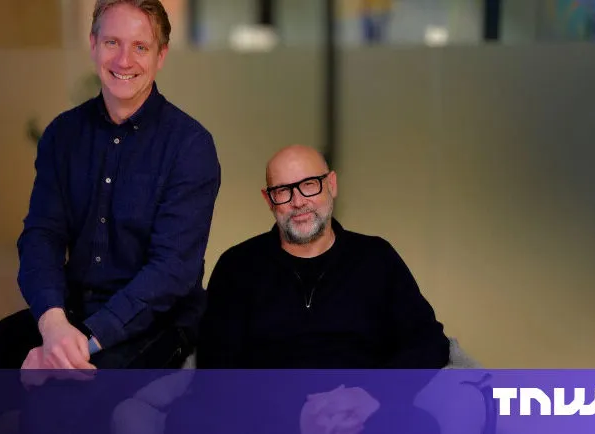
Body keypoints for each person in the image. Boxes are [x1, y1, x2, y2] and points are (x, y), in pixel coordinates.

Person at [0, 1, 221, 432]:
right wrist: (53, 324)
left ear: (161, 56)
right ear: (93, 45)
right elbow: (42, 236)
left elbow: (170, 273)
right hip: (68, 312)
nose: (124, 60)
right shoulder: (62, 135)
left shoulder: (190, 147)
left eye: (140, 47)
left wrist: (78, 344)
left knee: (53, 412)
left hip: (154, 323)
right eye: (112, 42)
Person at [161, 144, 449, 434]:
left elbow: (428, 341)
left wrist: (369, 395)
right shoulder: (238, 265)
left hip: (362, 412)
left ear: (331, 185)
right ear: (269, 199)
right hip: (266, 416)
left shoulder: (376, 257)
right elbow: (218, 370)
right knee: (187, 419)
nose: (298, 202)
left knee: (419, 424)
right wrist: (297, 415)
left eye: (309, 185)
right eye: (283, 191)